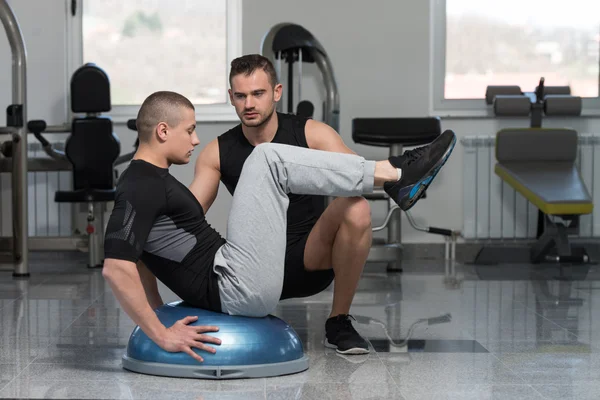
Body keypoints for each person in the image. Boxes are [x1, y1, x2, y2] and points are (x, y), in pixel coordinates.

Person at [102, 90, 456, 363]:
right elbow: (117, 267)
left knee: (271, 159)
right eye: (190, 131)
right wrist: (160, 334)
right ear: (163, 131)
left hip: (235, 274)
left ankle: (392, 177)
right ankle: (394, 175)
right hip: (234, 285)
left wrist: (159, 313)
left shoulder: (149, 180)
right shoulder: (139, 185)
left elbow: (140, 255)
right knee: (266, 156)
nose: (195, 140)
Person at [189, 54, 454, 355]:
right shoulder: (217, 152)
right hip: (254, 267)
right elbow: (188, 217)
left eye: (258, 93)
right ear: (231, 98)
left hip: (308, 259)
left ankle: (338, 321)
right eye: (241, 96)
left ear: (276, 92)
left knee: (356, 207)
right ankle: (397, 174)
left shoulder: (312, 133)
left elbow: (355, 174)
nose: (249, 104)